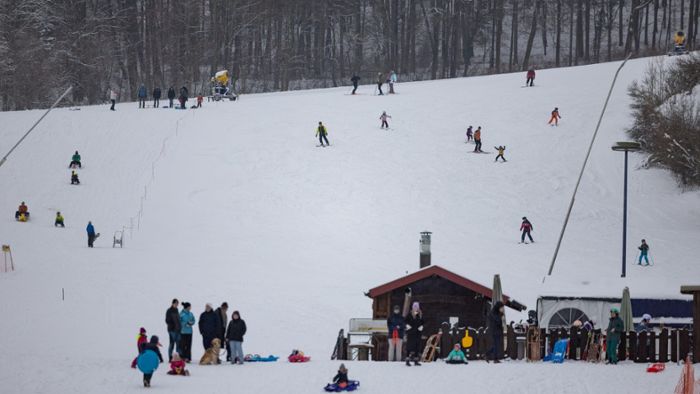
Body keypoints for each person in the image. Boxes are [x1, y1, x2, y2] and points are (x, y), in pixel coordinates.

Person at [404, 302, 424, 366]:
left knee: (417, 347)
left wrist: (422, 326)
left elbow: (423, 322)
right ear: (412, 307)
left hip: (418, 333)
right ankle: (407, 360)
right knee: (409, 347)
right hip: (411, 333)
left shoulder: (420, 314)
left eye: (417, 307)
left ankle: (416, 360)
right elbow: (405, 321)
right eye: (414, 307)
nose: (416, 308)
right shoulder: (410, 314)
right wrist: (407, 325)